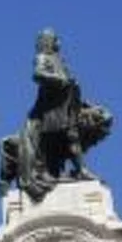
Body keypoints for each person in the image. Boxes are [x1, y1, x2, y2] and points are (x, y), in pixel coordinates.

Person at [27, 29, 90, 181]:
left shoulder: (59, 60)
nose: (59, 43)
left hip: (65, 103)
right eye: (56, 40)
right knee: (55, 137)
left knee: (72, 135)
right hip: (50, 106)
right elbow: (37, 74)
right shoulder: (42, 57)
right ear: (48, 41)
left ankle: (81, 169)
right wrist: (59, 78)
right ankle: (47, 171)